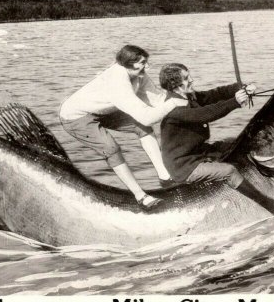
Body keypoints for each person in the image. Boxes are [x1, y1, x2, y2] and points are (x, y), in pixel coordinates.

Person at [59, 45, 187, 209]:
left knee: (141, 127)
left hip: (105, 110)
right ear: (127, 64)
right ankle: (141, 197)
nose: (147, 66)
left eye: (146, 62)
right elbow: (147, 117)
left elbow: (157, 99)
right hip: (76, 116)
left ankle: (165, 177)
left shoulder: (138, 74)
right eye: (142, 63)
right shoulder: (118, 83)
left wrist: (186, 102)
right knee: (111, 148)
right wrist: (174, 104)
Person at [157, 63, 256, 190]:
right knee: (229, 170)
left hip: (197, 153)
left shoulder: (189, 97)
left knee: (237, 144)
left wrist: (239, 88)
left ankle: (246, 185)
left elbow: (215, 94)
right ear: (174, 84)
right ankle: (271, 205)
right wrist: (235, 102)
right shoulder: (173, 109)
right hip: (183, 166)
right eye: (186, 78)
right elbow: (205, 114)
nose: (191, 79)